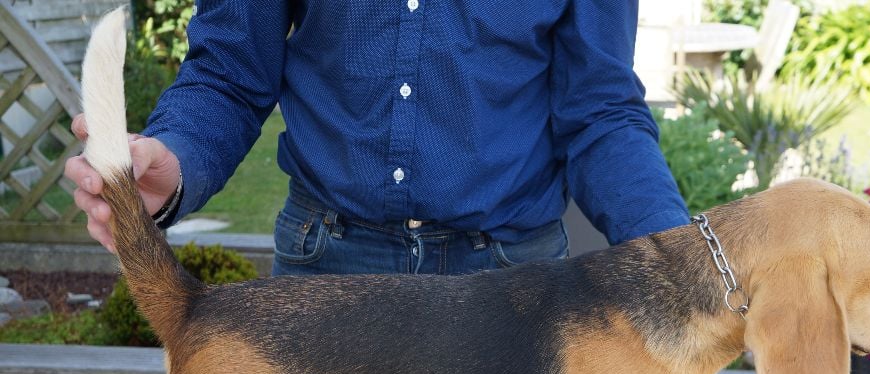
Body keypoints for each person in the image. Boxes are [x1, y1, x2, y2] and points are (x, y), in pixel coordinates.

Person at [65, 1, 690, 277]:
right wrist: (175, 162)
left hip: (510, 288)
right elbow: (229, 71)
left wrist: (676, 256)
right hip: (327, 272)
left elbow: (601, 110)